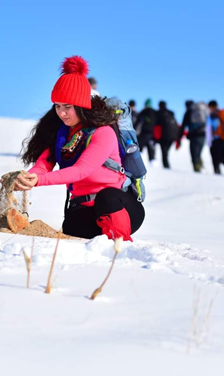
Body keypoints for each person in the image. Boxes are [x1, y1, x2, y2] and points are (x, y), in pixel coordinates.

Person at [15, 55, 145, 241]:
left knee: (106, 198)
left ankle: (120, 247)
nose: (61, 113)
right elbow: (44, 163)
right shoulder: (60, 134)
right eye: (58, 106)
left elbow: (81, 170)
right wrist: (29, 177)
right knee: (73, 234)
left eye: (67, 107)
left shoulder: (103, 132)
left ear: (82, 105)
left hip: (119, 206)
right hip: (83, 207)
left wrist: (39, 180)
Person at [180, 100, 207, 172]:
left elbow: (183, 126)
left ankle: (197, 170)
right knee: (198, 152)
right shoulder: (201, 111)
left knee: (194, 153)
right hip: (203, 135)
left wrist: (179, 137)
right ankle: (200, 165)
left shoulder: (188, 112)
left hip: (194, 135)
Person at [155, 101, 180, 169]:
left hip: (164, 136)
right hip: (173, 136)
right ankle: (167, 165)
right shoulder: (171, 113)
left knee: (164, 152)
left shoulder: (159, 113)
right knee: (166, 152)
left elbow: (156, 125)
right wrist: (178, 138)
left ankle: (166, 167)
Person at [136, 99, 157, 163]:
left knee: (139, 148)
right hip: (152, 134)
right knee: (151, 149)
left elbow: (137, 123)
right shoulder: (155, 112)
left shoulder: (143, 112)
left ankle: (138, 162)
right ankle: (152, 161)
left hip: (143, 133)